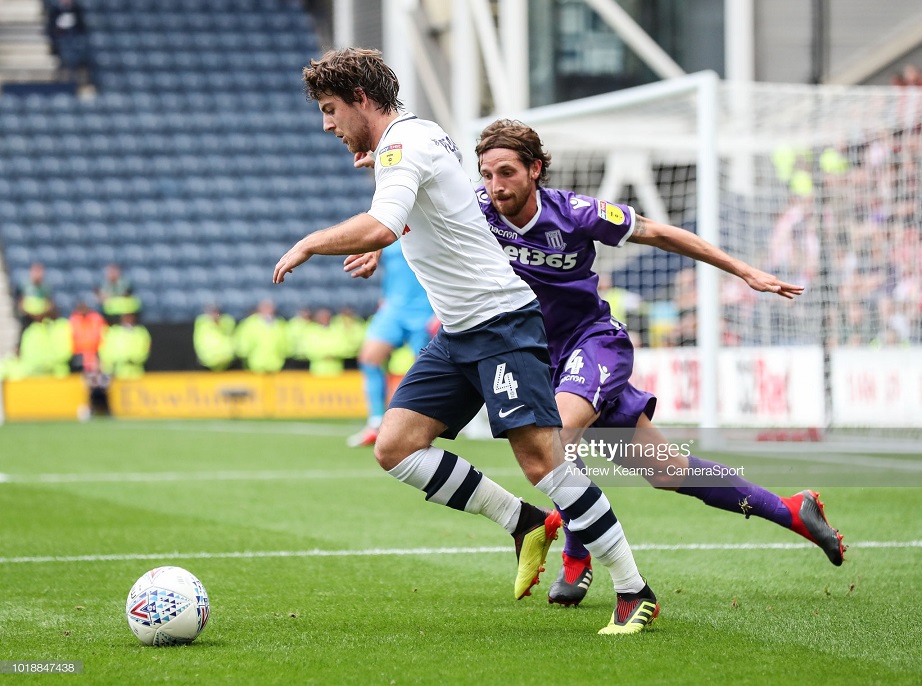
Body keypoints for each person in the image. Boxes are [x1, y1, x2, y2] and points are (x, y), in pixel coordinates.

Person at [274, 48, 658, 635]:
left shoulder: (403, 145)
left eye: (331, 110)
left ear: (360, 98)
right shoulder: (417, 137)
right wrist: (385, 232)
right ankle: (524, 523)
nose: (328, 124)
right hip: (458, 330)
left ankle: (635, 590)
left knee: (543, 460)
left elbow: (385, 218)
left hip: (501, 322)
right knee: (396, 446)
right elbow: (433, 205)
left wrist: (309, 241)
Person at [474, 119, 846, 607]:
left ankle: (576, 555)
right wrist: (377, 244)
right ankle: (793, 512)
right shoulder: (478, 211)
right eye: (486, 174)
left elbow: (660, 233)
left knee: (557, 436)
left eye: (506, 172)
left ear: (535, 170)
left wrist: (743, 270)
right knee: (669, 470)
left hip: (591, 345)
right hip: (536, 357)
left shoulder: (578, 213)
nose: (496, 186)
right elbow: (416, 221)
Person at [346, 241, 435, 447]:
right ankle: (375, 423)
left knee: (425, 369)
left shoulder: (428, 220)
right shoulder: (389, 225)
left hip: (426, 307)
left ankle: (420, 427)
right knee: (369, 358)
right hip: (394, 307)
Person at [14, 262, 53, 332]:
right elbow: (20, 304)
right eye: (36, 271)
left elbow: (49, 304)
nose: (38, 274)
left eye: (40, 272)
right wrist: (31, 314)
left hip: (41, 321)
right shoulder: (24, 286)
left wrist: (40, 315)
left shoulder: (45, 288)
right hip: (27, 319)